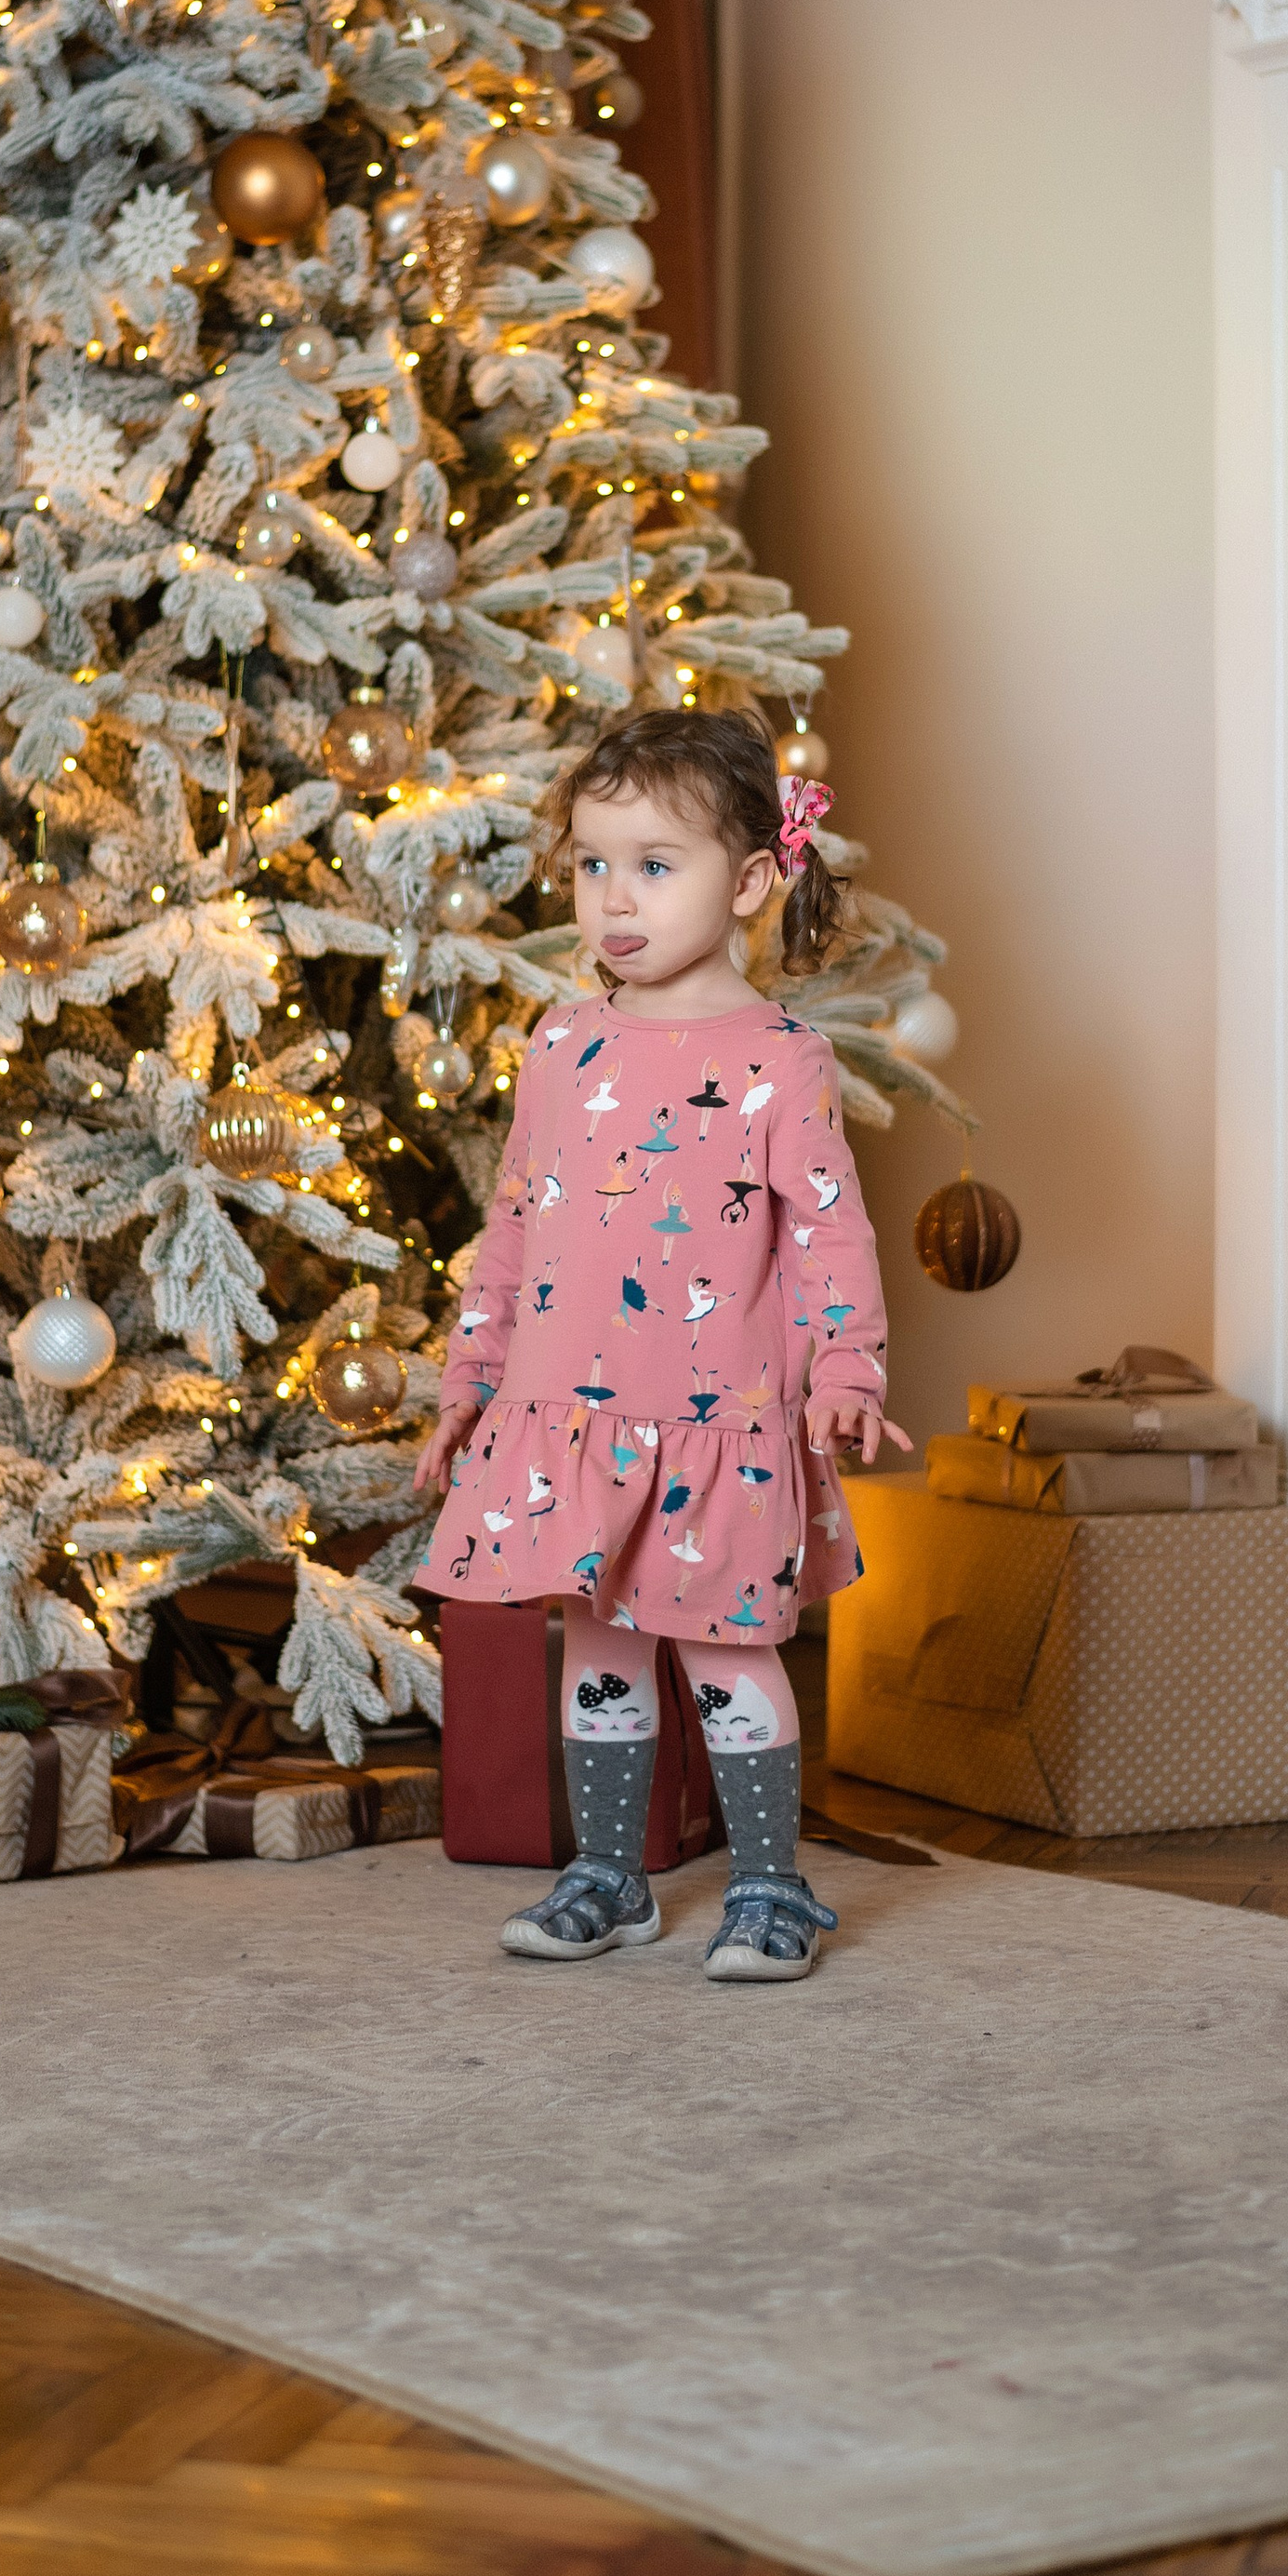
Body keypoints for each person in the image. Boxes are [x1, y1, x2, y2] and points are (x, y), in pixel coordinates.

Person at [413, 705, 902, 1982]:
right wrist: (473, 1375)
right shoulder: (563, 1043)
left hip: (717, 1421)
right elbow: (516, 1218)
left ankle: (771, 1886)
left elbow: (830, 1238)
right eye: (590, 863)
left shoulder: (782, 1062)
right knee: (602, 1651)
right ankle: (610, 1877)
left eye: (652, 864)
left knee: (732, 1658)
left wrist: (846, 1373)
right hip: (567, 1413)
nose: (611, 897)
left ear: (749, 880)